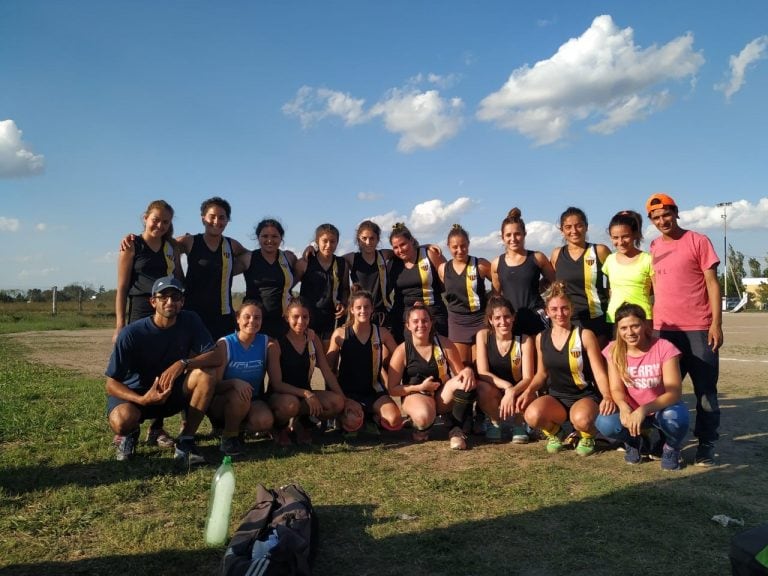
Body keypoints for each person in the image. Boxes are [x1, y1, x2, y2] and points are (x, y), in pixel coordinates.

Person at [106, 276, 221, 464]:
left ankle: (186, 440)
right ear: (153, 302)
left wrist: (183, 363)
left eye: (175, 297)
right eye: (163, 297)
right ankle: (130, 433)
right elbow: (111, 384)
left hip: (169, 393)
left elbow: (217, 357)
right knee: (122, 421)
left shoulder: (190, 320)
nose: (170, 302)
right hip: (136, 396)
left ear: (182, 301)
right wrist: (142, 399)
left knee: (206, 374)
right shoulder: (132, 334)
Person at [646, 192, 722, 466]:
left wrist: (716, 323)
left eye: (666, 214)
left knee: (705, 391)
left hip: (699, 329)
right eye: (656, 217)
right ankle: (666, 440)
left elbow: (713, 283)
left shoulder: (698, 241)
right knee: (664, 391)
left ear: (676, 212)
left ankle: (706, 444)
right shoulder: (653, 247)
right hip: (665, 332)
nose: (662, 220)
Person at [114, 199, 183, 449]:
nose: (160, 225)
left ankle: (157, 427)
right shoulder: (132, 244)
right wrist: (120, 324)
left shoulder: (171, 247)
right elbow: (122, 288)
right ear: (145, 218)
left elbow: (179, 279)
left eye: (166, 222)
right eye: (156, 220)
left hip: (167, 309)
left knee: (164, 366)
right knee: (136, 366)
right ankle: (129, 429)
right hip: (141, 309)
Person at [521, 281, 614, 456]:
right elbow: (541, 373)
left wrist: (607, 396)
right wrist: (529, 391)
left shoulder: (585, 335)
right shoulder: (541, 337)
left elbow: (599, 372)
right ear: (547, 312)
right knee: (532, 415)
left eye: (564, 308)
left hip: (583, 395)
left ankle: (587, 435)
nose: (560, 313)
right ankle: (557, 433)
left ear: (571, 309)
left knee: (581, 420)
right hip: (556, 397)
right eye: (554, 309)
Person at [595, 303, 689, 470]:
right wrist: (624, 407)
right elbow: (616, 389)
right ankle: (634, 442)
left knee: (677, 418)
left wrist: (643, 409)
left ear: (645, 325)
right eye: (623, 328)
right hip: (632, 410)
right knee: (604, 422)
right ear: (618, 329)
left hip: (660, 410)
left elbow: (674, 393)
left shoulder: (665, 348)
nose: (629, 333)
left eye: (635, 326)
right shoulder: (613, 350)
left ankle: (670, 447)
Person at [387, 303, 476, 449]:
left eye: (425, 320)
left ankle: (456, 430)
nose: (421, 325)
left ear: (431, 322)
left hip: (441, 395)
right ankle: (419, 423)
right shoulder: (402, 350)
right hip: (416, 394)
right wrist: (420, 387)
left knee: (465, 381)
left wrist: (467, 371)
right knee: (423, 418)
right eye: (415, 321)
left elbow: (460, 373)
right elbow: (392, 389)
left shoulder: (444, 344)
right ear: (408, 325)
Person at [267, 297, 346, 445]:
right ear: (287, 318)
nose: (301, 321)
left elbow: (326, 371)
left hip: (304, 395)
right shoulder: (276, 343)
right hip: (281, 396)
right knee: (290, 405)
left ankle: (301, 424)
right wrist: (307, 393)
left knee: (337, 403)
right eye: (295, 317)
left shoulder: (313, 339)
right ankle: (278, 427)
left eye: (305, 317)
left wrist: (344, 398)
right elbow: (277, 384)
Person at [326, 288, 403, 435]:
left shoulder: (382, 333)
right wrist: (342, 398)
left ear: (372, 308)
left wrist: (389, 377)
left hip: (373, 391)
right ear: (352, 310)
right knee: (352, 421)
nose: (363, 311)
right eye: (359, 307)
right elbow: (329, 367)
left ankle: (371, 418)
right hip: (348, 392)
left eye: (367, 307)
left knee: (394, 419)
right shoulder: (340, 334)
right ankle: (350, 419)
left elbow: (401, 355)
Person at [207, 300, 278, 457]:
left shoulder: (267, 343)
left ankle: (237, 429)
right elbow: (215, 386)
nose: (252, 321)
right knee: (239, 396)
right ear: (238, 318)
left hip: (252, 399)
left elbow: (276, 381)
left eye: (257, 317)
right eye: (247, 317)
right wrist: (234, 383)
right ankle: (228, 437)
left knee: (264, 421)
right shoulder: (225, 344)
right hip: (224, 401)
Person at [175, 197, 248, 341]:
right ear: (203, 219)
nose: (216, 221)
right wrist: (179, 276)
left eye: (222, 217)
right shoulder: (190, 241)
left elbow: (251, 257)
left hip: (222, 315)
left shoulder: (231, 245)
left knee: (220, 360)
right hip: (192, 313)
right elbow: (162, 243)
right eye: (212, 217)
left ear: (227, 220)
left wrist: (229, 271)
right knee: (192, 360)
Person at [475, 296, 535, 443]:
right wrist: (507, 387)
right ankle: (495, 423)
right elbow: (482, 372)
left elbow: (528, 377)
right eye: (498, 318)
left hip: (519, 390)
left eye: (507, 317)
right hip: (496, 389)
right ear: (490, 320)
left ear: (513, 318)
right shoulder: (483, 336)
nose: (503, 322)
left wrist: (513, 391)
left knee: (530, 390)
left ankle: (519, 424)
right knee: (481, 388)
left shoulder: (524, 340)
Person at [550, 207, 612, 346]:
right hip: (568, 320)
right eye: (568, 227)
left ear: (586, 227)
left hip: (597, 319)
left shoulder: (600, 251)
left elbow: (613, 284)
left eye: (579, 225)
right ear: (562, 230)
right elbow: (552, 285)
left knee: (598, 365)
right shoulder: (556, 254)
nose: (574, 231)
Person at [491, 208, 555, 336]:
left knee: (540, 355)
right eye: (508, 235)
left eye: (517, 234)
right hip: (511, 320)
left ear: (524, 234)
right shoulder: (496, 263)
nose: (513, 238)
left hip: (537, 317)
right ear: (502, 237)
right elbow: (496, 296)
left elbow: (556, 283)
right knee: (517, 356)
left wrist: (547, 303)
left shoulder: (537, 258)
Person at [438, 224, 492, 366]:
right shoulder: (443, 268)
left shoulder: (480, 265)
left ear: (468, 244)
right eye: (455, 247)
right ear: (448, 246)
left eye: (463, 246)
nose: (460, 250)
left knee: (479, 365)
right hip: (457, 322)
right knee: (461, 365)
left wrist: (492, 299)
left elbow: (499, 283)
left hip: (480, 319)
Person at [388, 222, 447, 342]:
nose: (400, 250)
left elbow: (448, 280)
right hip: (404, 318)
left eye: (403, 244)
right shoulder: (393, 263)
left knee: (438, 354)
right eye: (395, 247)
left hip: (432, 314)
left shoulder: (429, 254)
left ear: (411, 240)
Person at [241, 218, 300, 339]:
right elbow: (222, 274)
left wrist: (312, 247)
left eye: (274, 236)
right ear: (258, 237)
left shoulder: (288, 257)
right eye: (265, 236)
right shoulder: (248, 258)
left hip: (283, 321)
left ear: (281, 238)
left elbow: (306, 266)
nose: (269, 240)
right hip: (254, 323)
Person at [296, 223, 349, 350]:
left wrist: (344, 304)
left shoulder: (342, 263)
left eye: (333, 241)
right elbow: (288, 286)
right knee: (307, 359)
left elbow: (346, 288)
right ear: (317, 241)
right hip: (308, 318)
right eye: (324, 241)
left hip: (331, 318)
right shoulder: (306, 262)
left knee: (329, 360)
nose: (328, 245)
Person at [603, 210, 653, 326]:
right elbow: (608, 289)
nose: (620, 242)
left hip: (643, 319)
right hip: (615, 318)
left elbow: (657, 291)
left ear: (635, 234)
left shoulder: (648, 259)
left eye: (625, 236)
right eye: (615, 237)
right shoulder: (609, 260)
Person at [343, 220, 395, 327]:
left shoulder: (384, 255)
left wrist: (426, 246)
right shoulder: (352, 258)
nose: (368, 242)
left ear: (377, 239)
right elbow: (328, 257)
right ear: (358, 239)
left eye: (372, 238)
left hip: (382, 314)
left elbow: (406, 250)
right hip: (360, 313)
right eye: (364, 238)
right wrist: (312, 248)